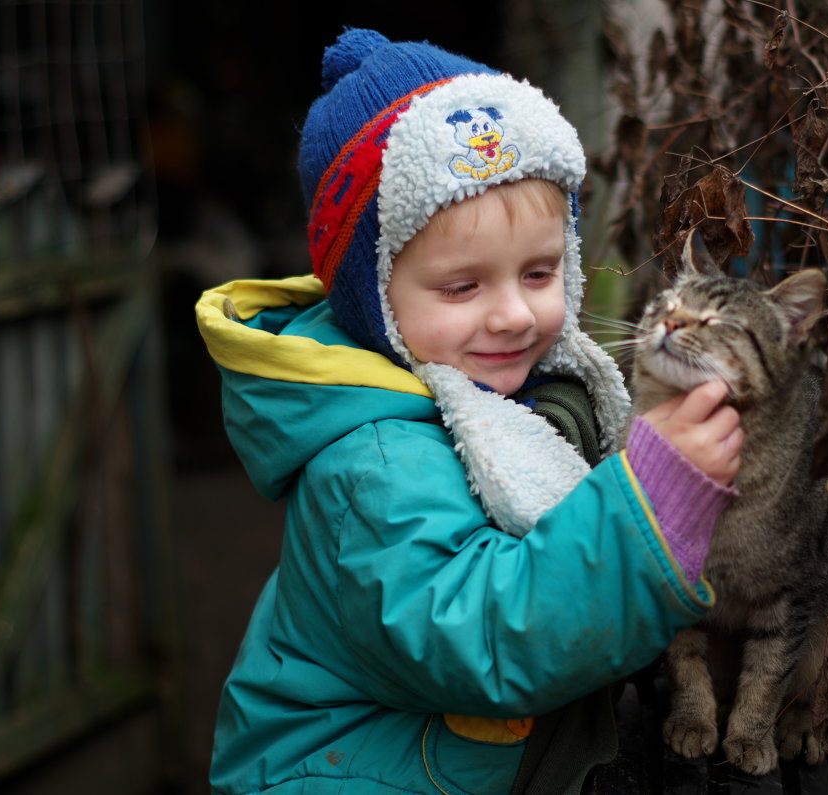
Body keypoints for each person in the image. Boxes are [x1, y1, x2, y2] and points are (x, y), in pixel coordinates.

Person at [196, 28, 744, 794]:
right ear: (375, 298)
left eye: (541, 271)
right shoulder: (373, 466)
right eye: (463, 287)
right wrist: (653, 510)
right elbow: (487, 639)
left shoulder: (507, 391)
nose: (516, 314)